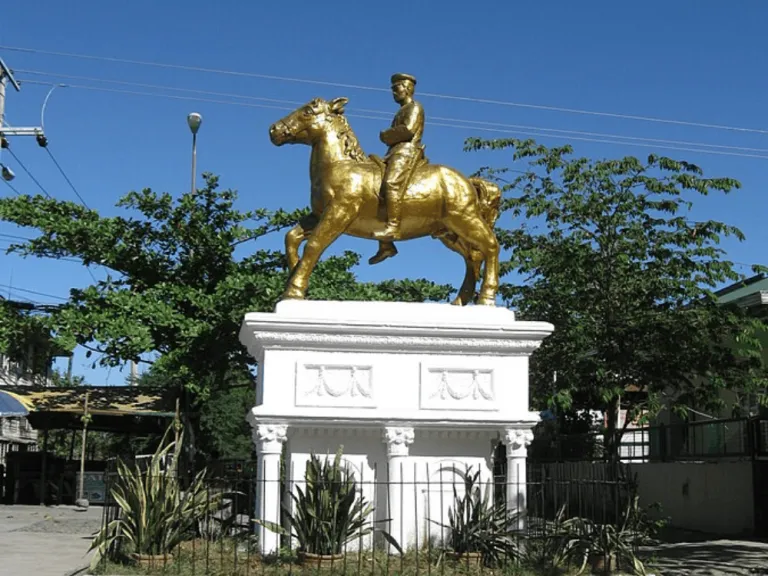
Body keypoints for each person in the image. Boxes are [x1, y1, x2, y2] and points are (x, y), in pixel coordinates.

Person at [370, 73, 425, 256]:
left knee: (391, 183)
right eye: (392, 89)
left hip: (405, 153)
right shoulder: (401, 110)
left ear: (407, 87)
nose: (393, 92)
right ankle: (385, 246)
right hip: (393, 153)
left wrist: (386, 135)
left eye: (397, 88)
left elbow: (407, 131)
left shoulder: (414, 107)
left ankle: (393, 227)